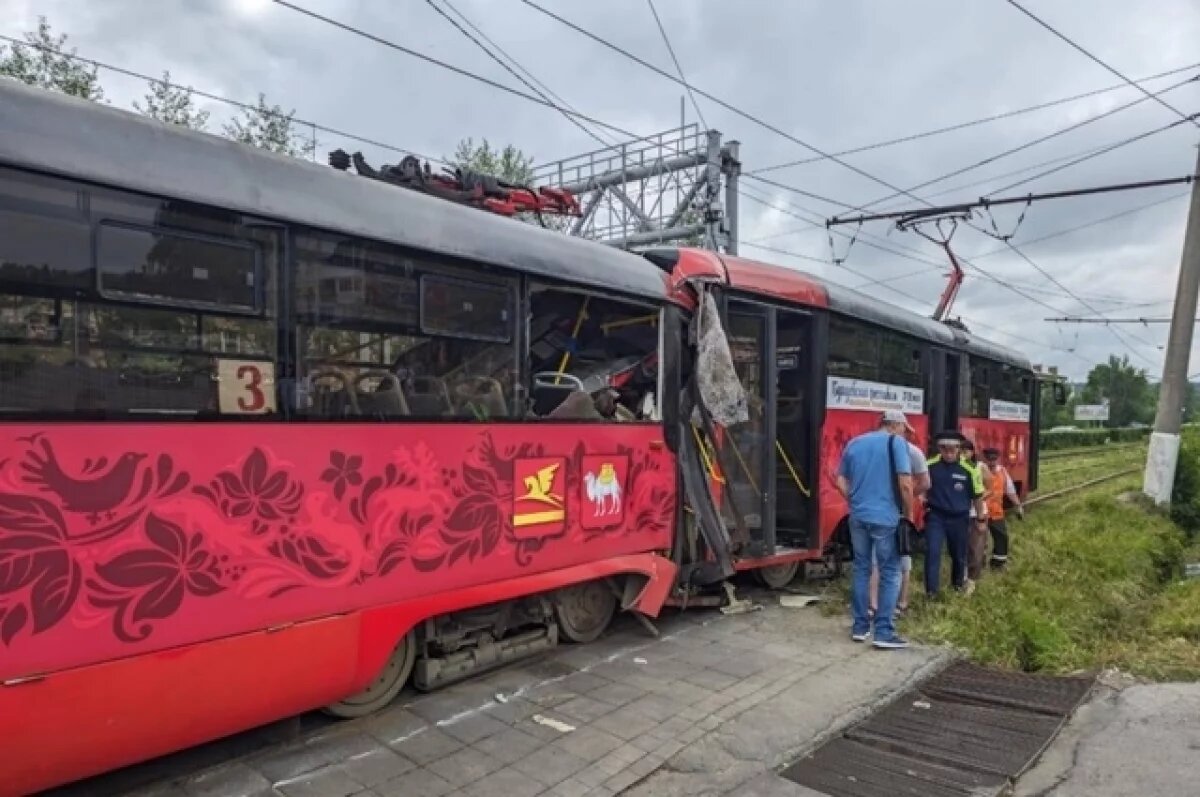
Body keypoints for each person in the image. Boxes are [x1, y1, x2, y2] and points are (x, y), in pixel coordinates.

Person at [836, 409, 914, 649]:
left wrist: (855, 502)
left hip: (857, 516)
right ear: (895, 426)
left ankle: (860, 628)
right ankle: (883, 632)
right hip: (886, 517)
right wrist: (908, 514)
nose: (904, 433)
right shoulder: (896, 443)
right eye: (904, 428)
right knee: (890, 572)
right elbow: (905, 484)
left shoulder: (855, 443)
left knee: (862, 568)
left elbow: (840, 481)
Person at [869, 429, 930, 618]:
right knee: (903, 557)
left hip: (879, 508)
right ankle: (901, 604)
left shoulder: (873, 449)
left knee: (876, 559)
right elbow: (924, 483)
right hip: (901, 511)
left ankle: (873, 605)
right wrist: (909, 506)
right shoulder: (914, 452)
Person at [924, 432, 985, 597]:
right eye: (945, 449)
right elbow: (920, 487)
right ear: (939, 448)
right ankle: (931, 592)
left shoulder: (970, 469)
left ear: (959, 448)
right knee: (932, 552)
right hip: (936, 516)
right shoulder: (929, 465)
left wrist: (981, 519)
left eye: (953, 449)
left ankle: (957, 586)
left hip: (959, 518)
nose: (949, 453)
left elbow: (978, 496)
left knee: (958, 554)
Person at [982, 447, 1024, 569]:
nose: (992, 462)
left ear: (998, 459)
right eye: (989, 459)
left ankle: (998, 564)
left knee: (1002, 537)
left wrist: (1018, 506)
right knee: (980, 542)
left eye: (994, 459)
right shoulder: (979, 470)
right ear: (985, 459)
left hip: (996, 512)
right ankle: (979, 566)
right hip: (981, 512)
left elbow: (1010, 491)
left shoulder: (1002, 472)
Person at [961, 439, 990, 593]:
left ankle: (972, 580)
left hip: (977, 512)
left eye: (966, 451)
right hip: (961, 513)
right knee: (962, 547)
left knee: (976, 547)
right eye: (961, 451)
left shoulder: (980, 467)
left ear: (972, 452)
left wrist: (978, 499)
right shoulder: (957, 467)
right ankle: (963, 577)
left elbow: (990, 488)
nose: (963, 454)